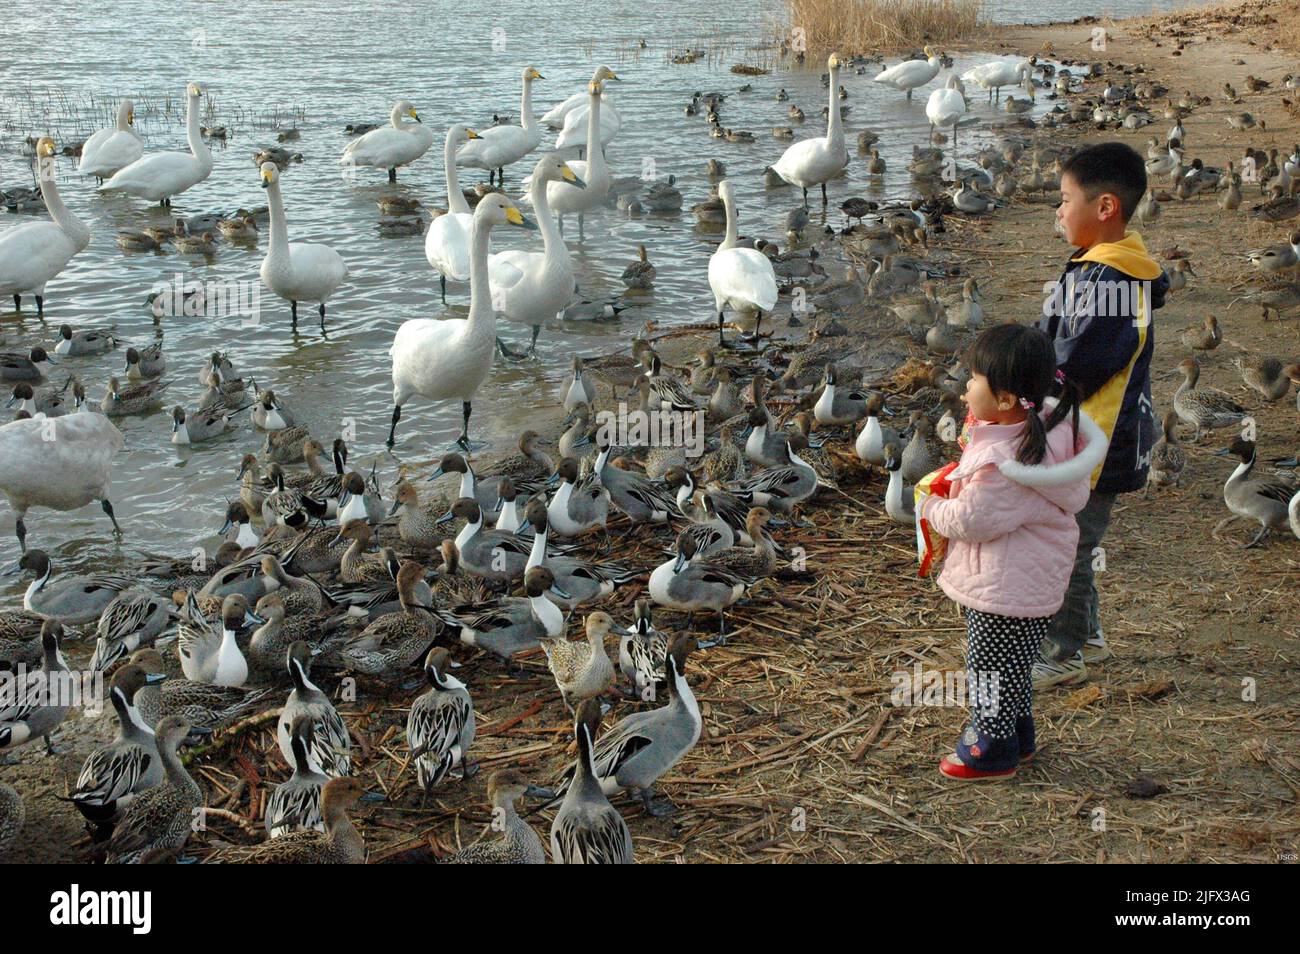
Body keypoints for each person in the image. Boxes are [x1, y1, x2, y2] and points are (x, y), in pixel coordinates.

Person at [918, 324, 1108, 780]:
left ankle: (991, 748)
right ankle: (1019, 733)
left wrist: (930, 505)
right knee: (1015, 665)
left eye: (974, 378)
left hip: (1003, 586)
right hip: (1030, 582)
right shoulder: (1045, 433)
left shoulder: (1009, 463)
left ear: (1005, 400)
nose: (965, 386)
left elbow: (973, 520)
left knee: (988, 669)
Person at [1033, 142, 1170, 689]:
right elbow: (1058, 338)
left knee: (1068, 543)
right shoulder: (1103, 267)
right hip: (1087, 436)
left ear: (1106, 207)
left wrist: (1026, 394)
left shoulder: (1113, 281)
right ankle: (1087, 636)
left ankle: (1062, 652)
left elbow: (1077, 363)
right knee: (1076, 541)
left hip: (1097, 441)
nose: (1059, 212)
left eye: (1065, 200)